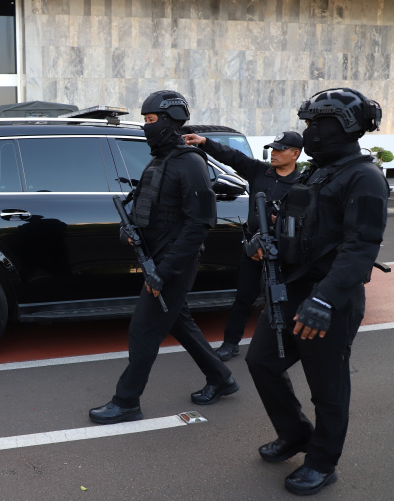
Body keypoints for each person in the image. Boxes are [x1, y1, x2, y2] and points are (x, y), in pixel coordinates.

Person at [245, 88, 389, 495]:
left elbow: (360, 247)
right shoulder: (315, 172)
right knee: (261, 363)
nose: (307, 132)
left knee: (327, 389)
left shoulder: (364, 177)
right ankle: (295, 434)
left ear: (340, 125)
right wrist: (261, 240)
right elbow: (286, 222)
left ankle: (323, 462)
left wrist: (324, 300)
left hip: (329, 301)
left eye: (313, 124)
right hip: (290, 291)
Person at [89, 91, 239, 425]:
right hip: (157, 258)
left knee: (143, 331)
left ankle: (127, 401)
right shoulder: (160, 161)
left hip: (174, 263)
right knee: (179, 323)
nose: (145, 127)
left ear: (170, 121)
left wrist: (165, 271)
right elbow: (146, 209)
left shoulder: (190, 163)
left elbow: (199, 225)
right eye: (144, 121)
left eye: (151, 120)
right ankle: (222, 378)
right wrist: (128, 232)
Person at [181, 130, 303, 361]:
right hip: (253, 250)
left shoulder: (302, 184)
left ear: (295, 154)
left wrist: (285, 219)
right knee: (243, 299)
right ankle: (230, 343)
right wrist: (204, 142)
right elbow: (232, 156)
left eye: (280, 149)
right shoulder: (259, 171)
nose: (274, 153)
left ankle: (288, 344)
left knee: (282, 299)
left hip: (282, 253)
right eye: (272, 148)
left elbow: (307, 221)